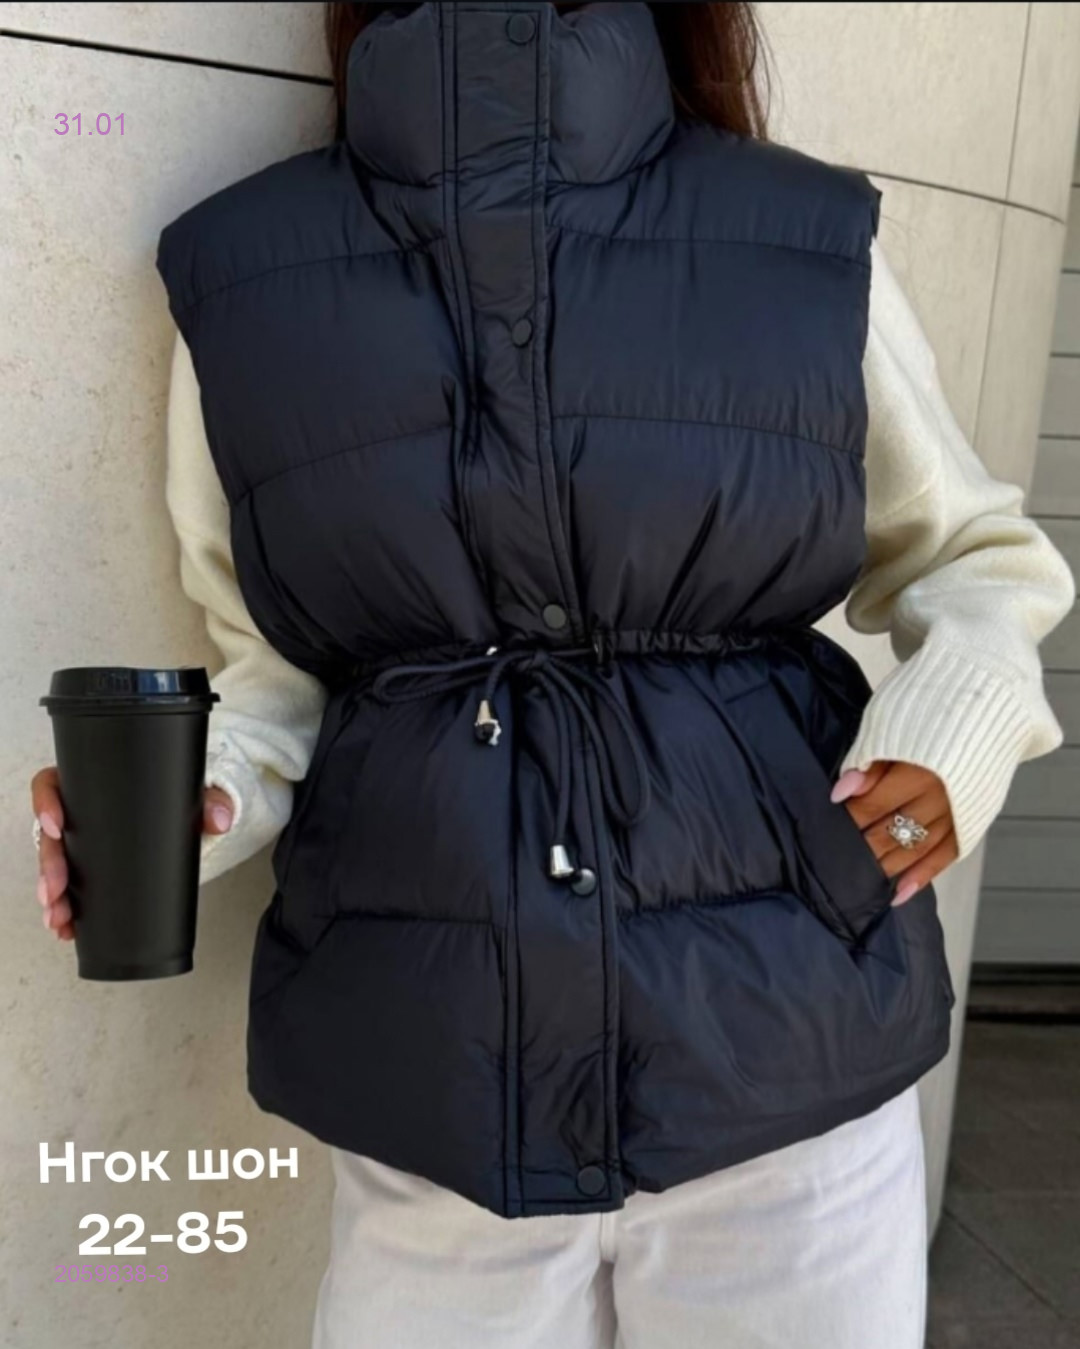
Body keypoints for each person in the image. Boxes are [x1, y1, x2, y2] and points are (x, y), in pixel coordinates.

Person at [31, 3, 1076, 1346]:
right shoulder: (244, 273)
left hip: (787, 1055)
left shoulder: (794, 236)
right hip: (434, 1086)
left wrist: (951, 733)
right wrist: (205, 794)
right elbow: (278, 668)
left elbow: (972, 557)